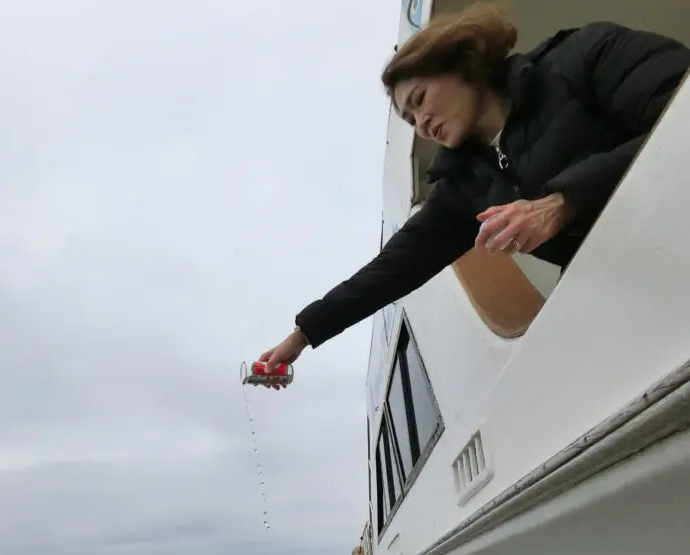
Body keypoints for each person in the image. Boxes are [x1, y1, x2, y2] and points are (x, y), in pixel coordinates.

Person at [258, 4, 690, 379]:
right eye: (410, 120)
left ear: (463, 62)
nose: (421, 124)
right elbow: (391, 270)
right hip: (650, 302)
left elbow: (681, 112)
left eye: (420, 99)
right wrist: (303, 335)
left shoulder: (581, 56)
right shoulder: (465, 186)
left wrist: (565, 201)